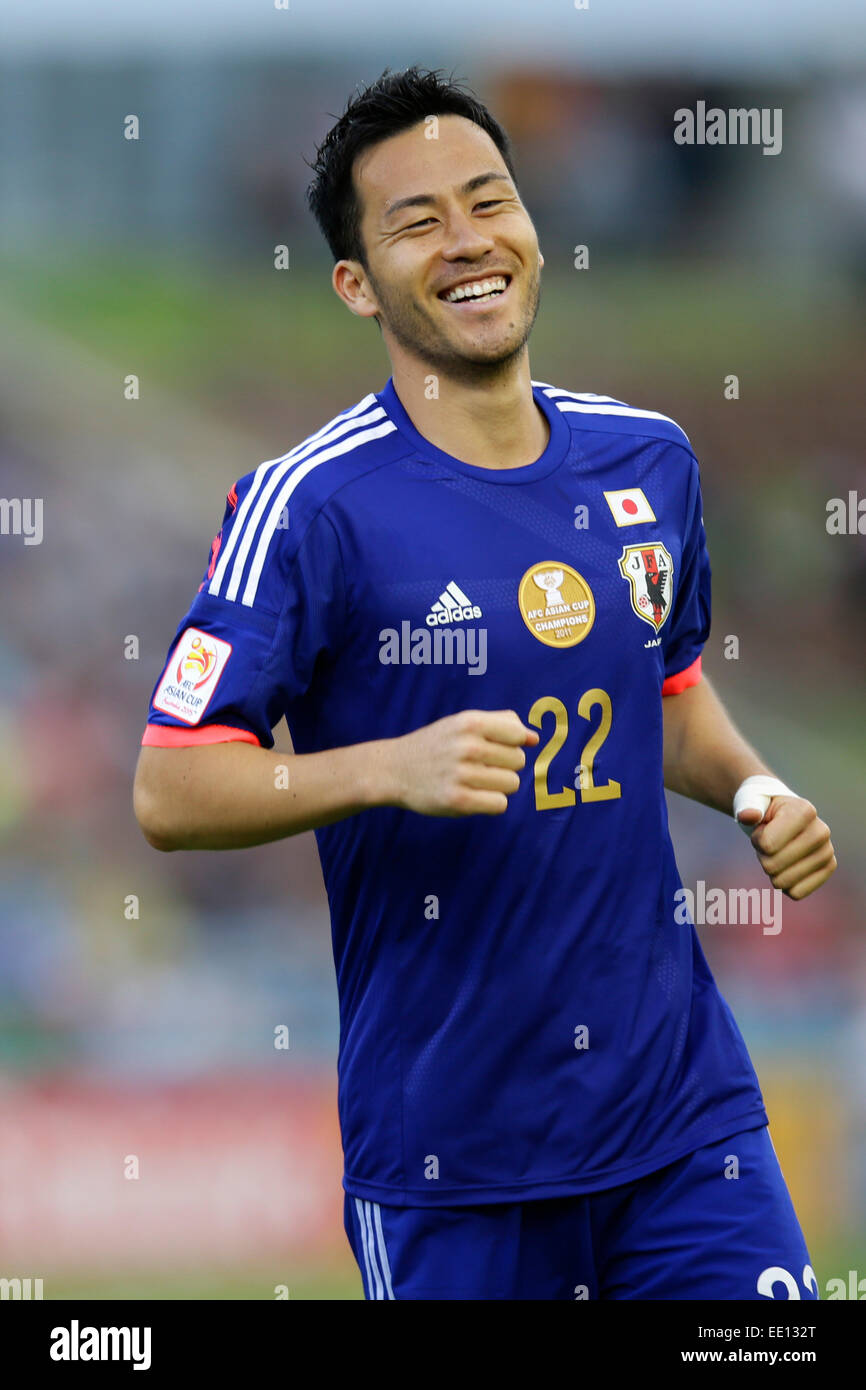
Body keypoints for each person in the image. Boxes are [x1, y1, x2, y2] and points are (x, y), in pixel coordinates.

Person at [133, 67, 837, 1300]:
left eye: (487, 201)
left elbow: (661, 690)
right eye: (415, 222)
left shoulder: (647, 458)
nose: (466, 241)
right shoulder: (307, 507)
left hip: (683, 1123)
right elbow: (169, 786)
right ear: (355, 283)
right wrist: (385, 769)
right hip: (454, 1158)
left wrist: (754, 788)